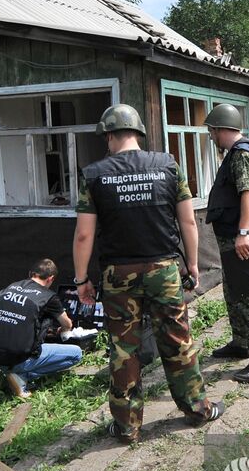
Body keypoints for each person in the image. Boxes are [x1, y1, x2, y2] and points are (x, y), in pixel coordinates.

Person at [73, 103, 226, 443]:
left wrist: (82, 279)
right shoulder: (169, 166)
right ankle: (198, 409)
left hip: (118, 274)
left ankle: (127, 426)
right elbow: (187, 220)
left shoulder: (94, 175)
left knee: (124, 349)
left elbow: (84, 234)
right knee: (177, 339)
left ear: (110, 135)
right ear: (138, 133)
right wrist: (193, 263)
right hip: (164, 269)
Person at [203, 103, 249, 382]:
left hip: (241, 237)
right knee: (234, 294)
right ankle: (241, 343)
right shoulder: (234, 153)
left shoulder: (242, 154)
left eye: (211, 131)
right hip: (232, 238)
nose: (211, 136)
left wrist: (243, 232)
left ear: (221, 129)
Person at [0, 258, 82, 399]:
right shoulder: (48, 296)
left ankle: (12, 373)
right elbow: (67, 324)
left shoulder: (10, 287)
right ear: (51, 279)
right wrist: (62, 331)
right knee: (76, 354)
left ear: (30, 273)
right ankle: (22, 375)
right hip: (16, 359)